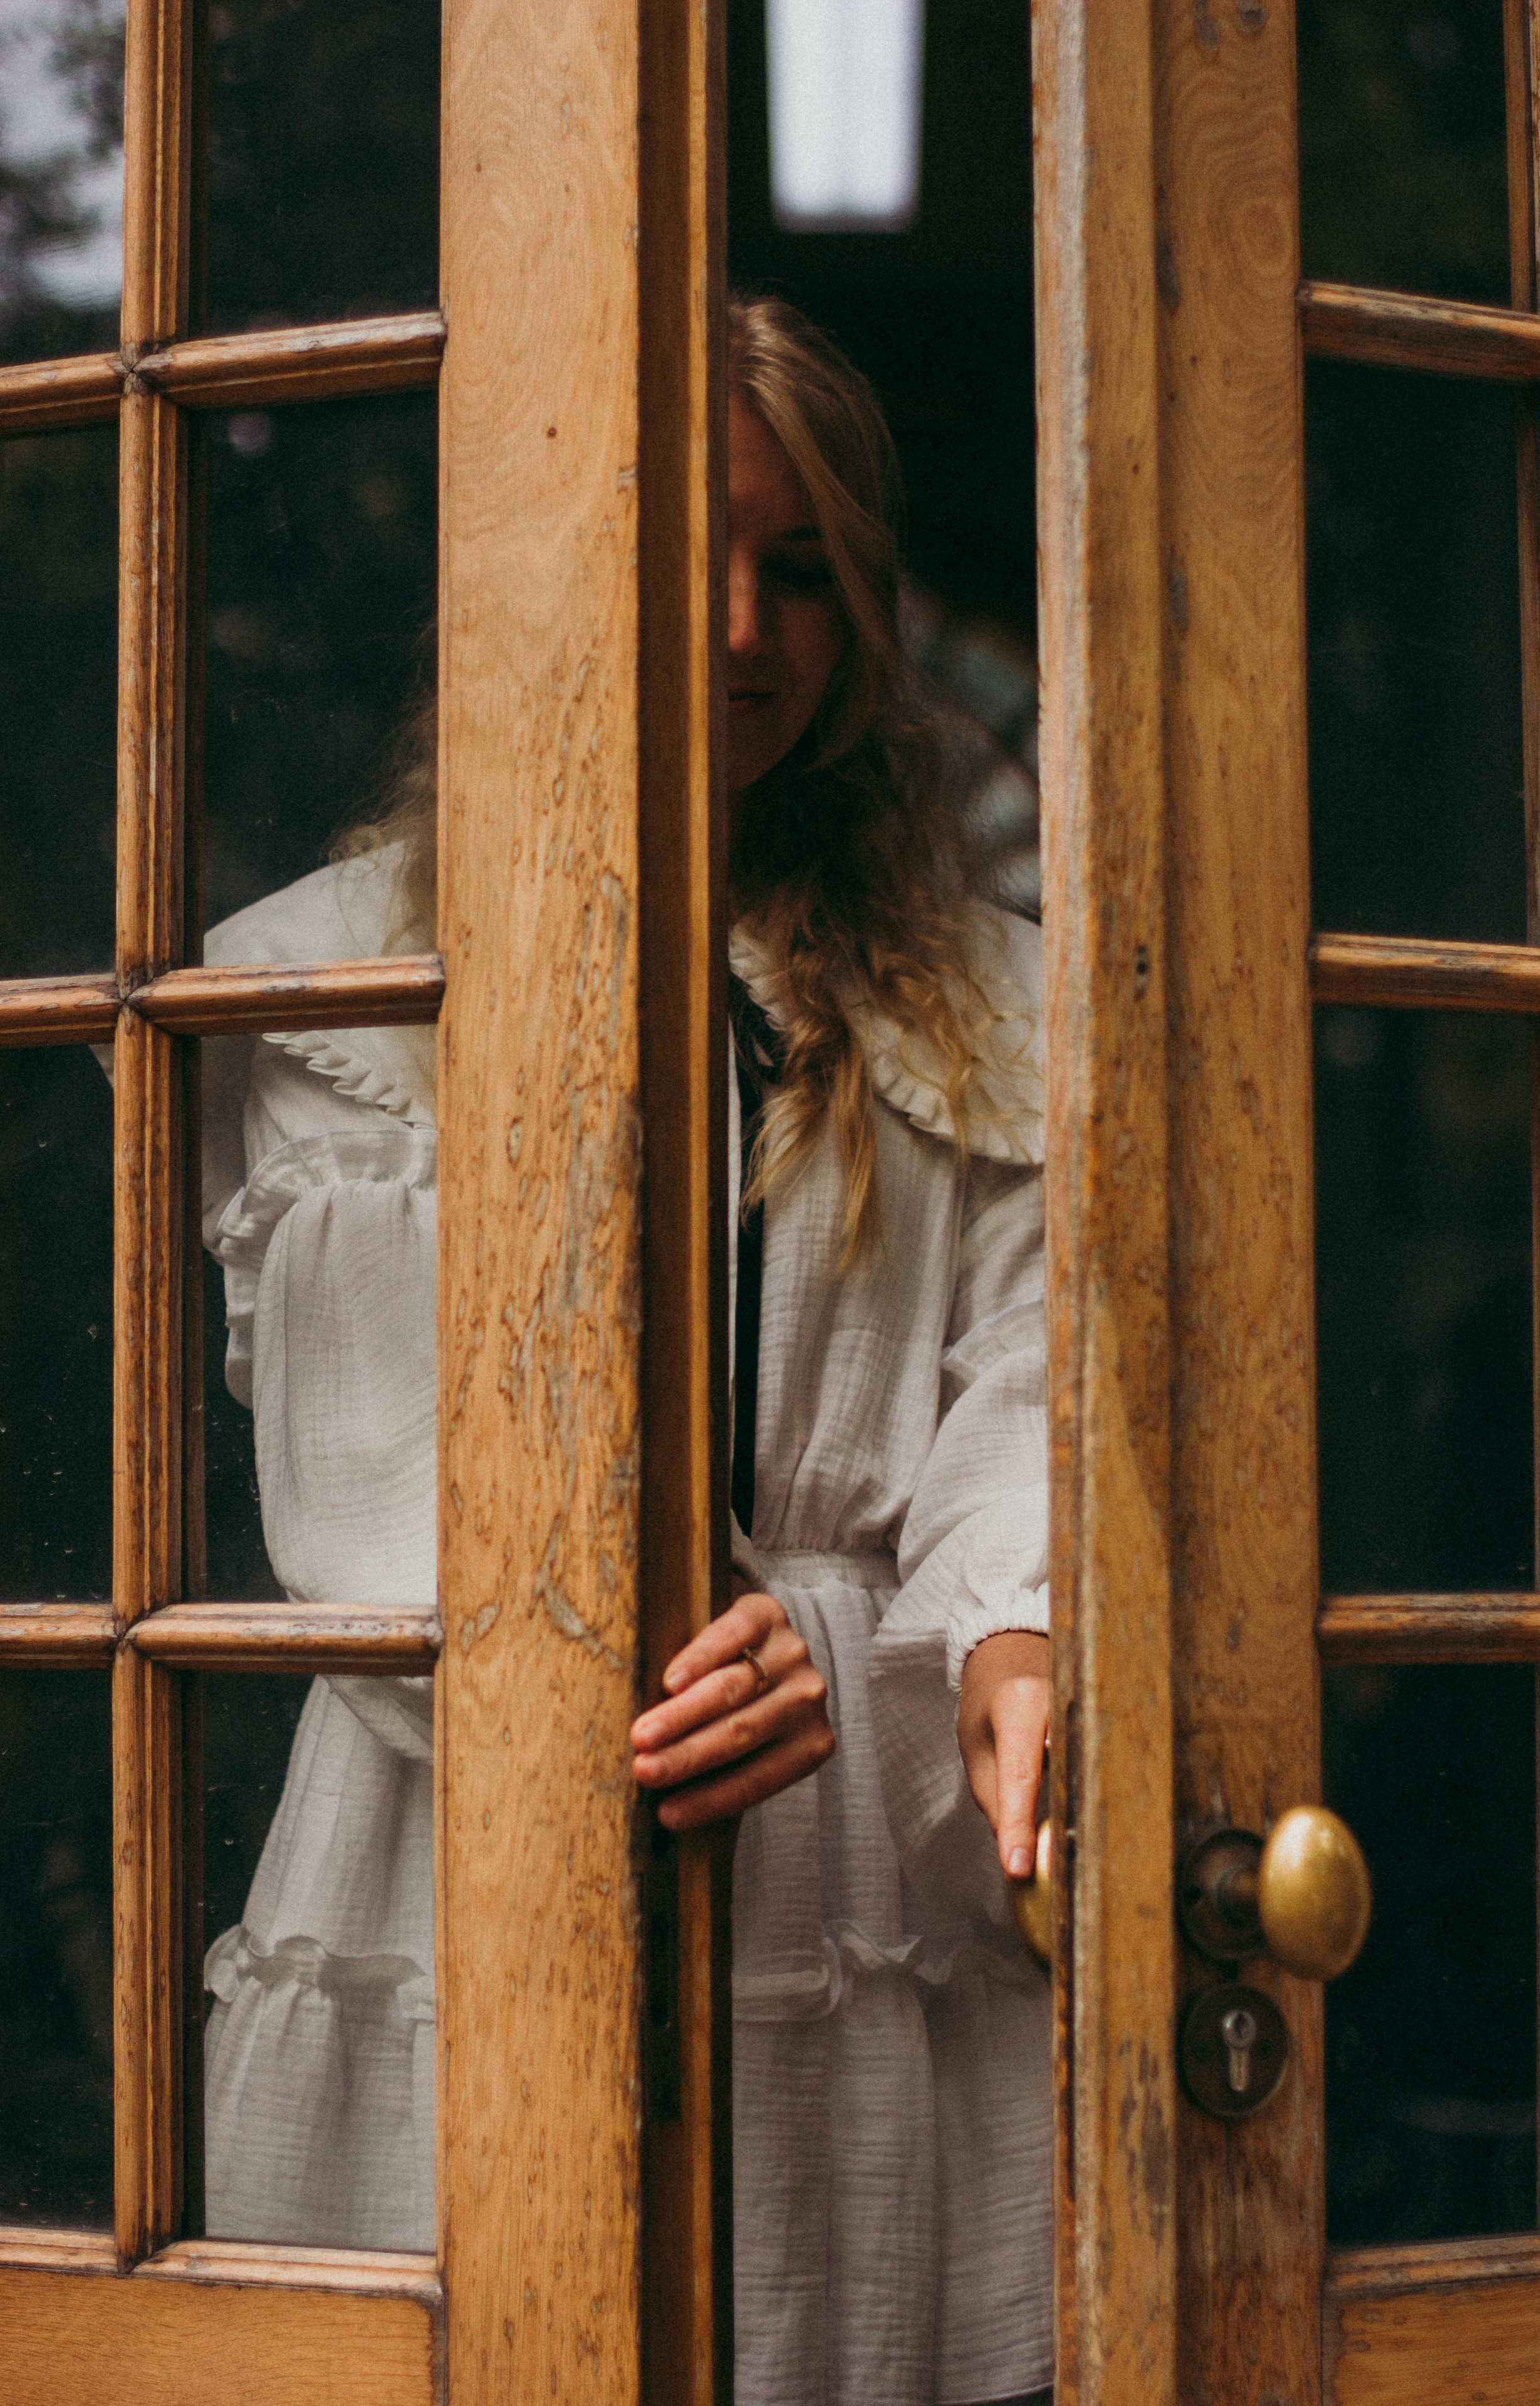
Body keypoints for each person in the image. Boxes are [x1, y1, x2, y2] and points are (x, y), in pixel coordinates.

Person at [199, 293, 1053, 2406]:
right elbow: (381, 1449)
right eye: (693, 557)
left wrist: (975, 1650)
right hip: (457, 1833)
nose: (746, 630)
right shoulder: (323, 986)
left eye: (799, 573)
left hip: (855, 1826)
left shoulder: (1004, 1000)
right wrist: (653, 1633)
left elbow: (1034, 1398)